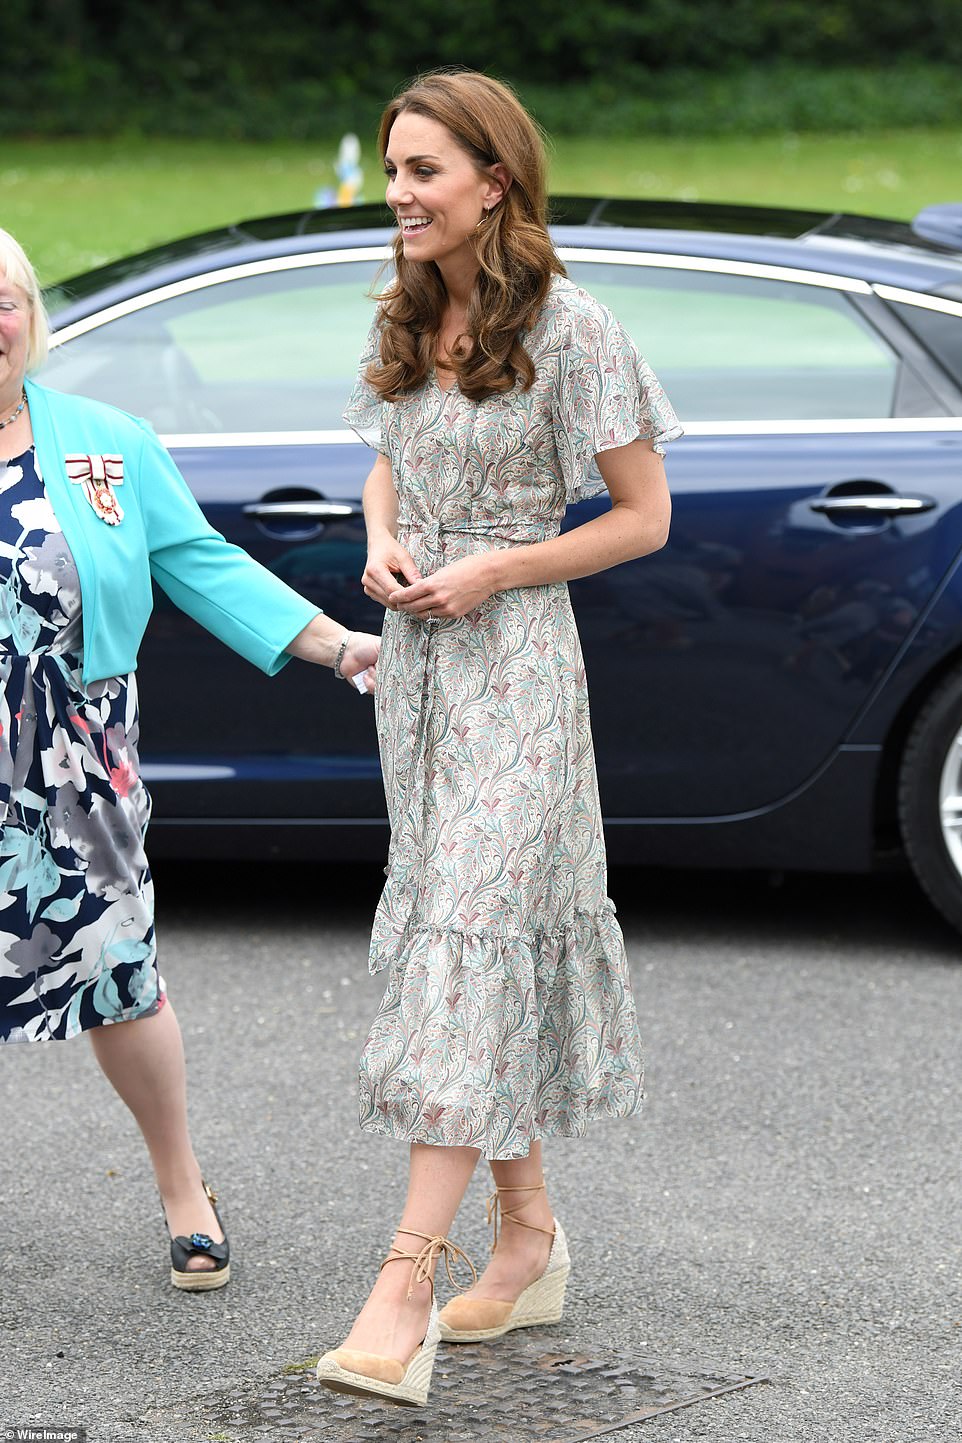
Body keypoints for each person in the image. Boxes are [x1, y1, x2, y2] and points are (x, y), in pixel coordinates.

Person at [314, 70, 680, 1406]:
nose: (398, 192)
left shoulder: (572, 325)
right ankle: (526, 1239)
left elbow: (641, 517)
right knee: (470, 932)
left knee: (468, 936)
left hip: (517, 669)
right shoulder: (412, 311)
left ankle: (399, 1289)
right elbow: (387, 455)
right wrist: (383, 540)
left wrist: (499, 570)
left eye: (422, 171)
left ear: (493, 182)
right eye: (394, 169)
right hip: (417, 673)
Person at [0, 228, 379, 1291]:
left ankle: (182, 1188)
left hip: (73, 774)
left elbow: (202, 566)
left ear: (31, 316)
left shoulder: (102, 445)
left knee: (121, 976)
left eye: (3, 301)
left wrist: (338, 645)